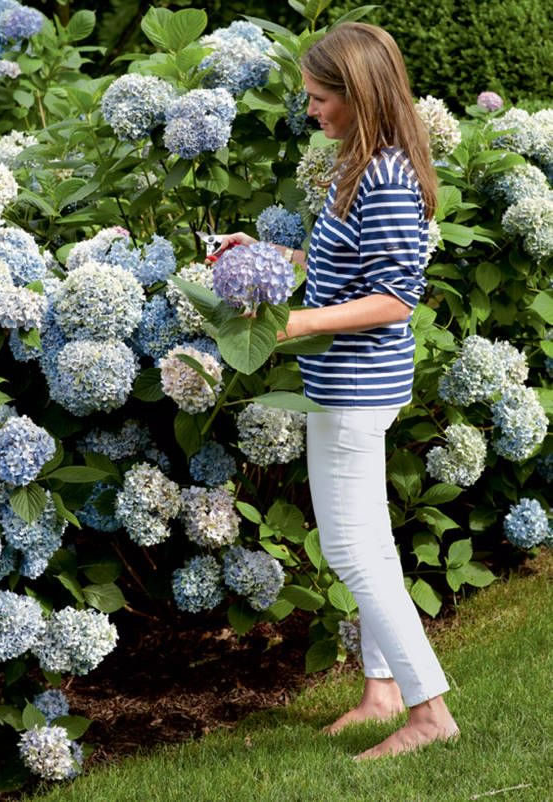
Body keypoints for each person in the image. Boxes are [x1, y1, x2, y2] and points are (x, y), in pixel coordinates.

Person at [212, 21, 460, 761]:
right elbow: (336, 269)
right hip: (344, 381)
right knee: (370, 545)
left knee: (353, 551)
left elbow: (393, 299)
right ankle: (382, 691)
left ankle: (429, 713)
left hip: (355, 386)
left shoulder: (383, 177)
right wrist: (264, 255)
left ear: (359, 95)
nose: (311, 109)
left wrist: (290, 325)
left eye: (321, 97)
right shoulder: (367, 162)